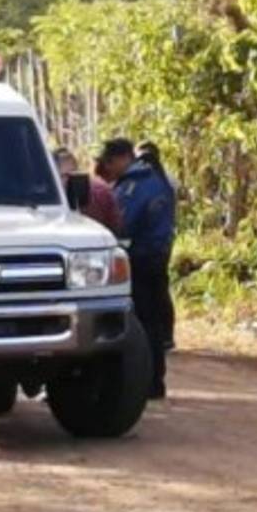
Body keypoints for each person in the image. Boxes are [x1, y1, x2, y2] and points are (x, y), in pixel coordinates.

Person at [99, 138, 176, 399]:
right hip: (156, 255)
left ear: (121, 159)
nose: (110, 171)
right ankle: (154, 381)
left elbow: (123, 223)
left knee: (144, 324)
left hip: (142, 259)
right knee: (151, 321)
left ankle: (150, 382)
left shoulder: (135, 185)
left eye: (110, 164)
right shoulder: (154, 179)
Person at [137, 140, 177, 350]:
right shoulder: (168, 181)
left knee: (151, 290)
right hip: (163, 243)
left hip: (150, 244)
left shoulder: (146, 184)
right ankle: (165, 335)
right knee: (160, 288)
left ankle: (157, 334)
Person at [54, 147, 122, 234]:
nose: (68, 180)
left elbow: (116, 225)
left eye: (72, 174)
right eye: (64, 176)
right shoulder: (49, 196)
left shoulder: (100, 191)